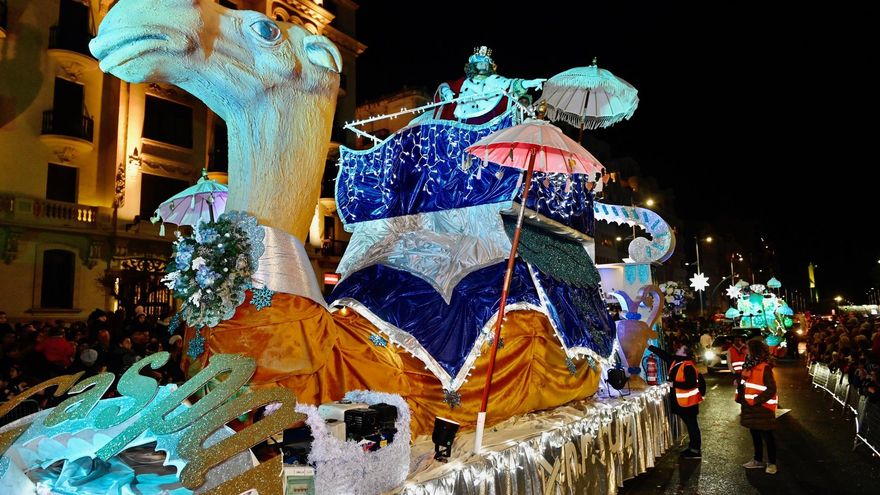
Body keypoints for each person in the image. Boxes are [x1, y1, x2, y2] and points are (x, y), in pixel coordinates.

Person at [431, 46, 544, 124]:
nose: (482, 67)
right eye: (479, 64)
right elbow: (447, 85)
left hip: (485, 119)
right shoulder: (464, 82)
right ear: (473, 66)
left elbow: (510, 84)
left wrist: (528, 83)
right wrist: (446, 91)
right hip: (462, 120)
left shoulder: (493, 80)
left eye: (484, 64)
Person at [648, 341, 706, 459]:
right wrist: (649, 346)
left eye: (680, 349)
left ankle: (695, 450)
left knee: (692, 425)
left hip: (688, 403)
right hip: (683, 403)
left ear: (685, 353)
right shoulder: (677, 361)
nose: (677, 349)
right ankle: (693, 448)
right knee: (691, 425)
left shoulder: (688, 366)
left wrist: (674, 384)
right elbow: (664, 355)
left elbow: (691, 383)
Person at [738, 338, 779, 474]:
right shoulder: (748, 366)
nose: (746, 351)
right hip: (751, 407)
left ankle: (772, 463)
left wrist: (756, 400)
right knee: (755, 434)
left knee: (768, 436)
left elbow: (771, 389)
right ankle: (758, 460)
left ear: (753, 351)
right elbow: (746, 384)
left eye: (748, 349)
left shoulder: (764, 367)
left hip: (763, 408)